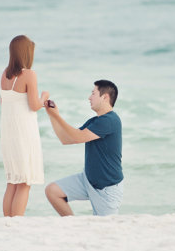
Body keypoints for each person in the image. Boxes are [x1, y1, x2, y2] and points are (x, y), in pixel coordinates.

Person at [44, 80, 123, 216]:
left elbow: (77, 137)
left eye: (93, 93)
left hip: (106, 189)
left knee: (105, 231)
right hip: (88, 180)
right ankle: (73, 224)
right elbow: (66, 139)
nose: (89, 97)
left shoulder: (110, 120)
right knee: (53, 191)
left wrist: (57, 115)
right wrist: (52, 116)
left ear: (105, 97)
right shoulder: (95, 121)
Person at [0, 35, 49, 216]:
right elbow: (34, 106)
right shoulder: (29, 74)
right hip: (24, 135)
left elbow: (3, 102)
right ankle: (17, 222)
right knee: (24, 183)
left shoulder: (5, 75)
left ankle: (7, 221)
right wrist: (44, 96)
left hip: (8, 135)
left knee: (12, 182)